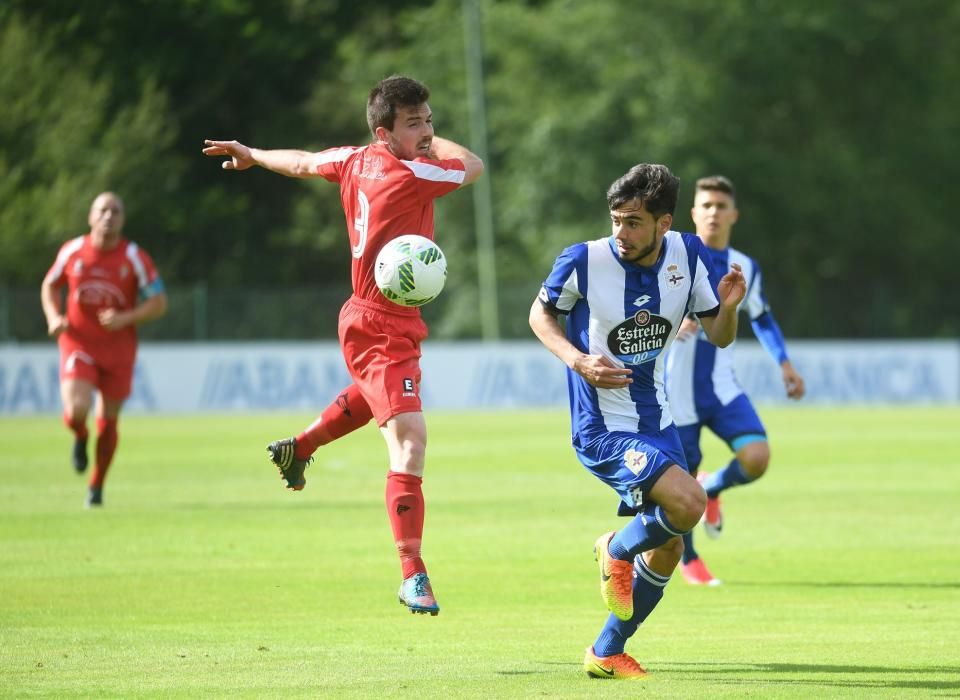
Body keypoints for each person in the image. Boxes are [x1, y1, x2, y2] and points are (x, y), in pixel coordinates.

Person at [202, 75, 483, 616]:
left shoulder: (356, 160)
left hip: (376, 316)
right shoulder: (411, 173)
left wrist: (254, 155)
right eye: (414, 123)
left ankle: (300, 447)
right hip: (380, 323)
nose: (426, 131)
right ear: (385, 132)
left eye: (429, 119)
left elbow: (305, 161)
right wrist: (440, 144)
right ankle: (412, 573)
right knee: (410, 440)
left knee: (377, 399)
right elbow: (473, 167)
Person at [529, 163, 746, 679]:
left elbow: (720, 335)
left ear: (664, 223)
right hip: (602, 427)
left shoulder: (689, 255)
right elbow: (541, 315)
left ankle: (605, 650)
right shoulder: (584, 260)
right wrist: (578, 360)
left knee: (671, 543)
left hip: (657, 420)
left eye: (633, 222)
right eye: (616, 220)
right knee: (690, 501)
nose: (620, 233)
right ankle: (616, 547)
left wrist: (730, 308)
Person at [665, 175, 805, 586]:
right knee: (680, 486)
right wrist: (670, 327)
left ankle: (715, 487)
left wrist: (784, 362)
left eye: (720, 206)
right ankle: (689, 558)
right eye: (705, 205)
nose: (713, 213)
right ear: (693, 213)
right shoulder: (670, 258)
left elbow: (761, 316)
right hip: (676, 393)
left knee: (757, 457)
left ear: (733, 215)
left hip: (722, 387)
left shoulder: (744, 266)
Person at [40, 192, 168, 508]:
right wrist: (54, 316)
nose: (108, 216)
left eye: (115, 211)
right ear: (91, 217)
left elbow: (159, 302)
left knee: (109, 422)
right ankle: (80, 436)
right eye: (102, 210)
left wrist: (127, 317)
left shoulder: (134, 257)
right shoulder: (73, 251)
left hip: (119, 349)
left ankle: (96, 486)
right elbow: (50, 285)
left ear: (123, 219)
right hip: (78, 342)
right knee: (76, 410)